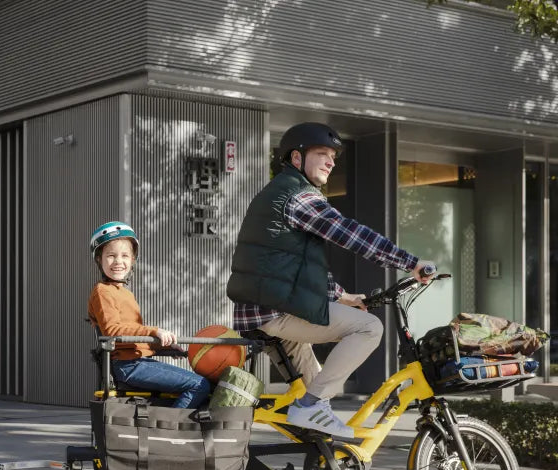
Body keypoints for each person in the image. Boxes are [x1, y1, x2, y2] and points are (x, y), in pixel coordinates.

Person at [227, 122, 435, 438]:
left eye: (333, 157)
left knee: (316, 399)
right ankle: (310, 407)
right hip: (275, 312)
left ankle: (322, 457)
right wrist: (411, 263)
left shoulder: (281, 192)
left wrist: (344, 297)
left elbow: (297, 269)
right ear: (296, 158)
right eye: (322, 153)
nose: (330, 162)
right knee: (369, 328)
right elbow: (349, 234)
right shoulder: (300, 197)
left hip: (265, 308)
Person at [88, 221, 211, 409]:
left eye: (125, 256)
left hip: (138, 362)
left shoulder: (126, 293)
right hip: (128, 365)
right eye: (111, 256)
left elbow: (133, 338)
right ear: (99, 259)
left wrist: (162, 346)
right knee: (200, 385)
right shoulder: (103, 291)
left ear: (132, 260)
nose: (118, 261)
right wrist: (154, 331)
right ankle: (171, 425)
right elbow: (112, 331)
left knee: (203, 383)